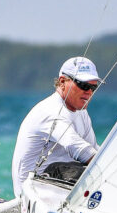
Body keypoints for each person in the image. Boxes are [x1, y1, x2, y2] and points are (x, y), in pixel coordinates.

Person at [12, 56, 101, 197]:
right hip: (31, 194)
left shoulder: (81, 112)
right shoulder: (51, 111)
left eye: (93, 87)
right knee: (87, 170)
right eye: (84, 85)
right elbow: (79, 149)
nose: (89, 92)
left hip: (59, 186)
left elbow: (95, 151)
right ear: (62, 82)